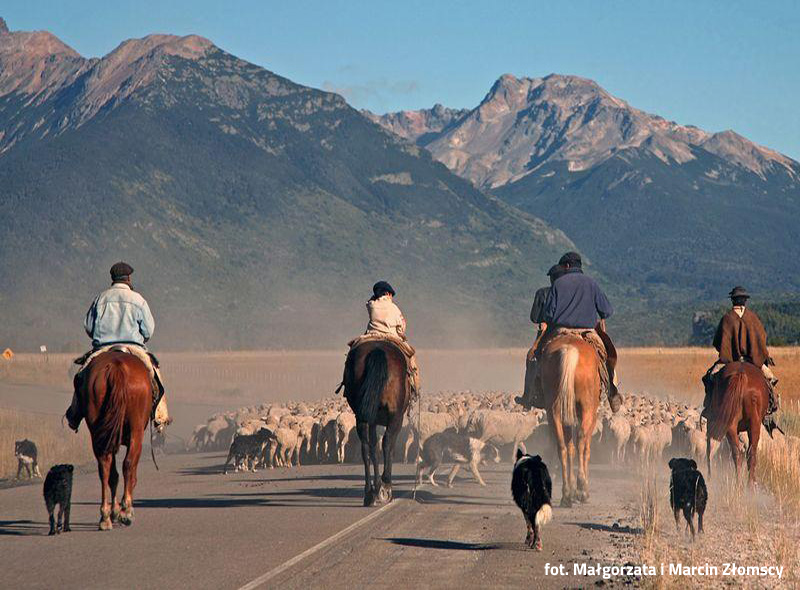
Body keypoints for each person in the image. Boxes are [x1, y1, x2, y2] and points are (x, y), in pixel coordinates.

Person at [65, 262, 170, 432]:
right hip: (133, 347)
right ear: (128, 278)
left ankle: (74, 415)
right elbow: (148, 330)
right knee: (155, 375)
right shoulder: (138, 299)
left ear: (113, 279)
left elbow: (89, 327)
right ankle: (160, 417)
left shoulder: (100, 299)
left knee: (81, 376)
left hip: (103, 348)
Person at [539, 252, 622, 412]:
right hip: (587, 333)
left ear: (567, 266)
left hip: (561, 331)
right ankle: (612, 391)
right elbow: (607, 310)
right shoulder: (591, 283)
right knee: (606, 354)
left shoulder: (557, 284)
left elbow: (548, 314)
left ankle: (537, 389)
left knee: (539, 352)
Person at [701, 286, 780, 433]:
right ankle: (769, 411)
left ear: (733, 300)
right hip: (752, 361)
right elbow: (761, 339)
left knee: (710, 377)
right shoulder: (753, 318)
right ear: (745, 301)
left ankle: (710, 409)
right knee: (771, 380)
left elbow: (719, 342)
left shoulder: (727, 318)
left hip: (729, 361)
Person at [344, 281, 420, 393]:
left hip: (371, 335)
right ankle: (415, 387)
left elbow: (368, 301)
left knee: (351, 354)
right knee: (411, 358)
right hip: (391, 336)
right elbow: (401, 327)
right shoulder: (394, 307)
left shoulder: (371, 305)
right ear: (388, 294)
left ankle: (346, 385)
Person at [515, 264, 564, 409]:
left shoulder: (543, 293)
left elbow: (534, 317)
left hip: (549, 331)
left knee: (532, 358)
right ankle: (609, 387)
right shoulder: (572, 292)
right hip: (574, 329)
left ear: (552, 279)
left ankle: (527, 397)